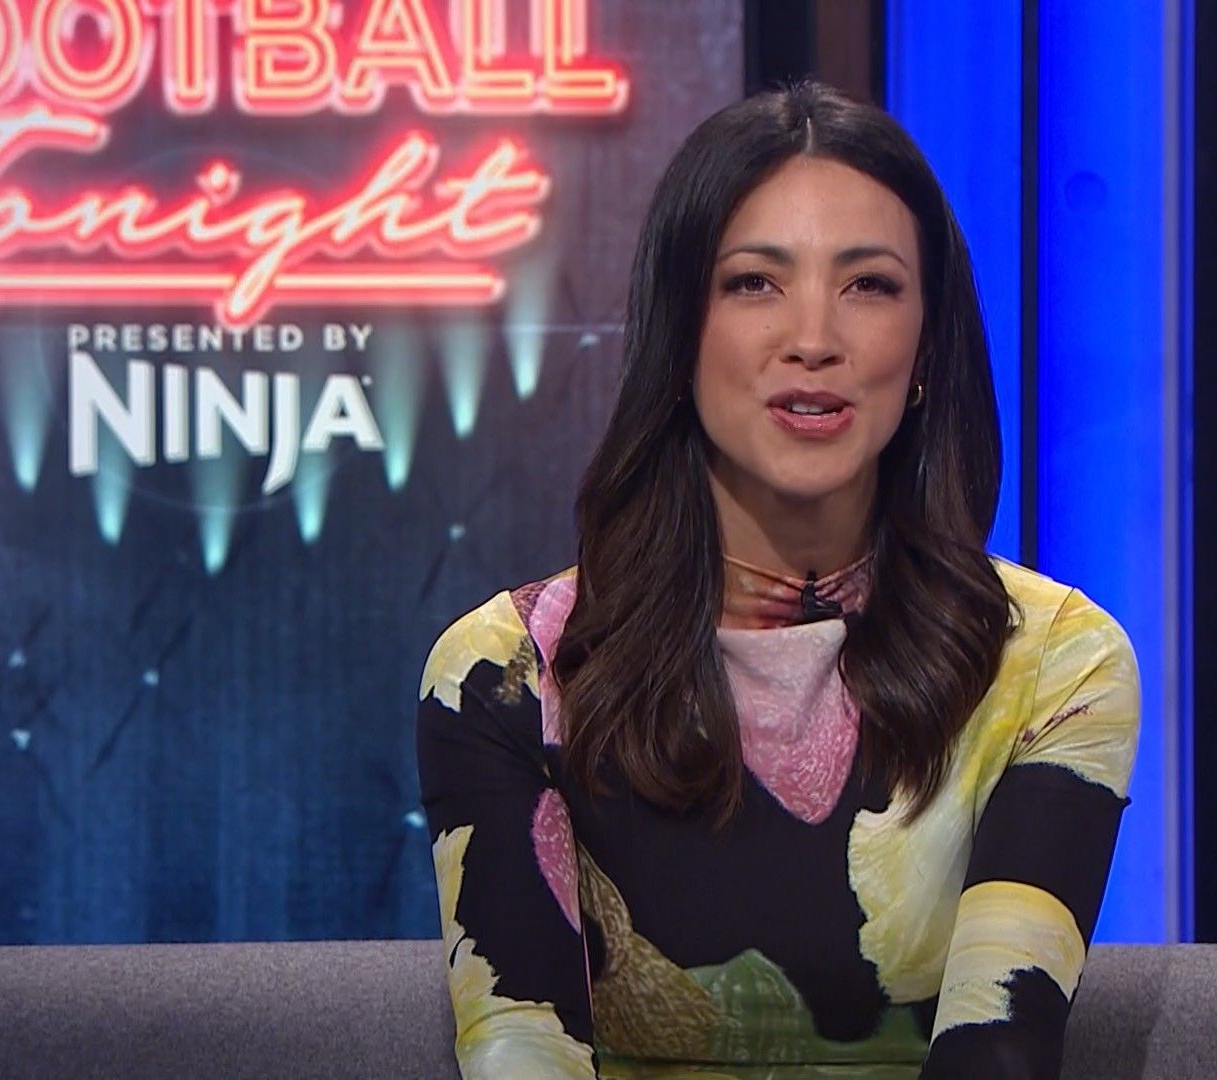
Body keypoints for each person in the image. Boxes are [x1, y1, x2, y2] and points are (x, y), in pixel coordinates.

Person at [416, 79, 1140, 1079]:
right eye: (755, 282)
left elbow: (1000, 1052)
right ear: (679, 334)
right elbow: (518, 1052)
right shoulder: (507, 671)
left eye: (868, 285)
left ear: (927, 348)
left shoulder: (1054, 664)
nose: (813, 339)